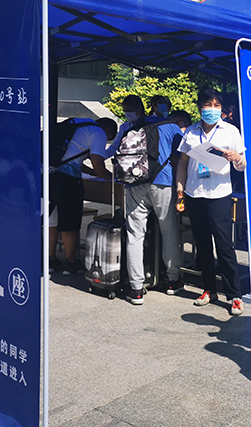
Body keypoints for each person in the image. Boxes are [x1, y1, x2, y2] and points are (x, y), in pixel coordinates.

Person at [176, 88, 247, 316]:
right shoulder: (191, 132)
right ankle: (209, 289)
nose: (212, 109)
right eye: (208, 104)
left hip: (219, 195)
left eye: (217, 105)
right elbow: (183, 163)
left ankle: (234, 295)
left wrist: (237, 158)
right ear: (200, 107)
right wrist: (180, 188)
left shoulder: (230, 131)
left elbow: (242, 165)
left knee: (224, 246)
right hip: (194, 193)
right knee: (202, 245)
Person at [117, 101, 190, 305]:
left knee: (135, 235)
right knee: (169, 230)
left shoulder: (134, 125)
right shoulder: (172, 128)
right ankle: (172, 280)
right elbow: (181, 158)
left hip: (134, 182)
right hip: (163, 182)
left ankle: (136, 288)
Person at [49, 117, 117, 275]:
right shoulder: (98, 132)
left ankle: (50, 260)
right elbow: (97, 162)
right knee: (70, 221)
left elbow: (71, 158)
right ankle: (71, 262)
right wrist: (110, 177)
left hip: (49, 174)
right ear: (107, 130)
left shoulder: (78, 124)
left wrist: (90, 172)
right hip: (68, 180)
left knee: (52, 220)